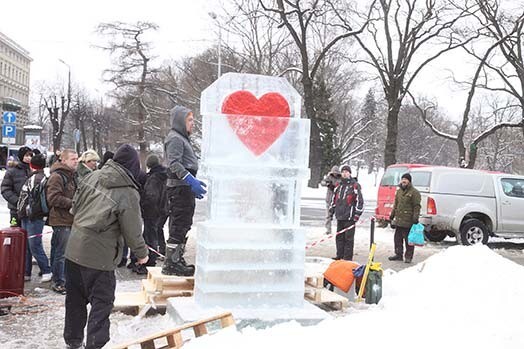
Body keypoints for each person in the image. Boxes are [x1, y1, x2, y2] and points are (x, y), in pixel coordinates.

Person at [64, 144, 149, 349]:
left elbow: (74, 208)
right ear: (132, 166)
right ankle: (95, 345)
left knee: (75, 301)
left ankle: (73, 342)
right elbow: (133, 231)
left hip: (73, 249)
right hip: (99, 259)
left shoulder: (92, 176)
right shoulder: (128, 193)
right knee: (101, 304)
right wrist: (142, 254)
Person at [162, 105, 206, 276]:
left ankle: (177, 259)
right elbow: (174, 163)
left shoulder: (182, 138)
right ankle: (171, 263)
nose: (192, 123)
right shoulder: (175, 138)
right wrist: (189, 179)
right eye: (189, 120)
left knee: (184, 223)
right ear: (180, 121)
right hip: (179, 189)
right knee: (179, 224)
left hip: (184, 189)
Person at [47, 149, 78, 294]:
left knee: (58, 250)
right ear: (63, 160)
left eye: (77, 158)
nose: (76, 161)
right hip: (61, 220)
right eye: (73, 159)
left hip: (67, 219)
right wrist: (72, 203)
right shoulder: (57, 176)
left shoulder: (71, 175)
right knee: (61, 253)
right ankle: (59, 281)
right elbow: (53, 198)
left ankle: (57, 278)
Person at [17, 154, 52, 283]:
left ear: (31, 165)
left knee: (34, 245)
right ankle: (26, 272)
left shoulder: (35, 179)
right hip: (32, 216)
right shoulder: (42, 178)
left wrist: (23, 212)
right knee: (28, 245)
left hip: (32, 217)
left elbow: (27, 198)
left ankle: (46, 270)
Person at [133, 154, 168, 275]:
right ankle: (147, 259)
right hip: (161, 210)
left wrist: (142, 201)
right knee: (151, 234)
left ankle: (149, 262)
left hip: (151, 212)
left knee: (150, 236)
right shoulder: (163, 175)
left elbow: (151, 196)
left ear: (149, 165)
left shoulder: (154, 178)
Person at [330, 165, 364, 261]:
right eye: (343, 172)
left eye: (346, 172)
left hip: (350, 217)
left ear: (350, 173)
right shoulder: (338, 185)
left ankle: (347, 258)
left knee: (348, 239)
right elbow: (334, 199)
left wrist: (357, 214)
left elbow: (360, 201)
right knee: (339, 237)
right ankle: (339, 255)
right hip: (340, 216)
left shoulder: (355, 185)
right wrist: (332, 210)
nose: (344, 174)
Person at [388, 173, 421, 263]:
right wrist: (392, 216)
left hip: (408, 220)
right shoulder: (399, 192)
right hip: (399, 220)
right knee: (397, 239)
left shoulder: (414, 192)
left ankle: (408, 256)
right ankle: (398, 254)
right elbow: (396, 205)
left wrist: (415, 217)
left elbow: (416, 206)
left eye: (405, 179)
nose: (403, 181)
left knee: (408, 240)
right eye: (402, 179)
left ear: (409, 181)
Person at [1, 146, 33, 226]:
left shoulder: (32, 171)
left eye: (31, 155)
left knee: (27, 235)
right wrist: (18, 201)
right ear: (21, 156)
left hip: (29, 210)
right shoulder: (12, 171)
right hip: (15, 211)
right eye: (26, 155)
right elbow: (5, 189)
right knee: (15, 233)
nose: (29, 158)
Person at [320, 166, 341, 235]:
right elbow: (322, 182)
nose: (335, 174)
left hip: (338, 200)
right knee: (328, 216)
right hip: (329, 199)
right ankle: (328, 230)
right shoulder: (329, 177)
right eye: (334, 173)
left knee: (339, 216)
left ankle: (340, 230)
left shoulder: (341, 178)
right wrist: (328, 184)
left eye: (336, 173)